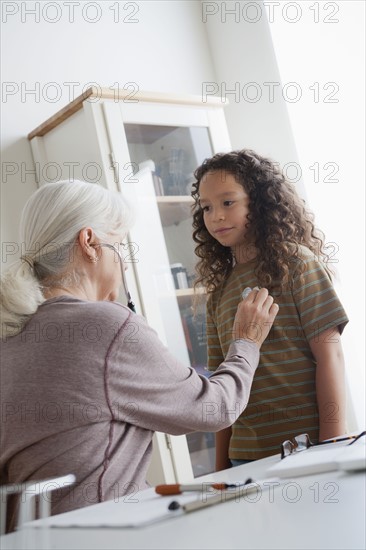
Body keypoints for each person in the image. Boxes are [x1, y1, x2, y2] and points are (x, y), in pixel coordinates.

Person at [0, 179, 278, 530]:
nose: (126, 266)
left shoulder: (11, 331)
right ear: (89, 243)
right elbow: (216, 407)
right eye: (118, 246)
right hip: (97, 535)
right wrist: (246, 342)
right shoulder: (104, 326)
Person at [191, 149, 349, 471]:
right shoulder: (218, 293)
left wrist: (333, 442)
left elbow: (329, 356)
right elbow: (223, 384)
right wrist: (222, 470)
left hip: (305, 447)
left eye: (228, 202)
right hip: (244, 456)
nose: (216, 216)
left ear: (259, 202)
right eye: (206, 208)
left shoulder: (297, 263)